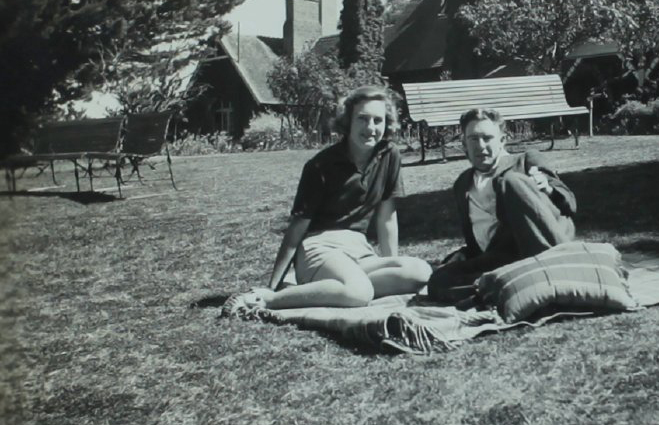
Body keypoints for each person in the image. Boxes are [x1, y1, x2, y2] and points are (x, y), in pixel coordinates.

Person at [227, 85, 432, 312]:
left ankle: (333, 287)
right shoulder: (320, 166)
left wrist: (392, 269)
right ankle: (268, 300)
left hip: (359, 249)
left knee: (420, 272)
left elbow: (386, 218)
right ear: (348, 122)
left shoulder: (389, 154)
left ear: (387, 123)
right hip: (319, 247)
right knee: (359, 293)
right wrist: (272, 286)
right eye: (362, 119)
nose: (371, 128)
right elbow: (296, 229)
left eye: (378, 120)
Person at [427, 108, 577, 303]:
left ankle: (552, 271)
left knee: (512, 181)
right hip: (501, 257)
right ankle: (513, 283)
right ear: (464, 144)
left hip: (541, 245)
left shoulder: (526, 161)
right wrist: (464, 253)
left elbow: (570, 204)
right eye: (473, 139)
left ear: (502, 140)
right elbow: (479, 239)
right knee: (439, 280)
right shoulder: (462, 184)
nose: (481, 146)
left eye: (487, 138)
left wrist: (547, 189)